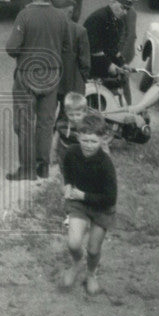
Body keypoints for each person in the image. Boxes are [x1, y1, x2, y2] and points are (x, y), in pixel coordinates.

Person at [5, 0, 71, 181]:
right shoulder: (61, 17)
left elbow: (12, 47)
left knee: (24, 122)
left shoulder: (24, 15)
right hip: (52, 75)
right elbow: (67, 46)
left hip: (27, 75)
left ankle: (26, 169)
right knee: (45, 122)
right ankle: (43, 167)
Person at [59, 105, 118, 295]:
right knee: (73, 243)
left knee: (93, 249)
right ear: (78, 137)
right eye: (85, 140)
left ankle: (91, 273)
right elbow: (66, 169)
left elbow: (110, 198)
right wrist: (67, 184)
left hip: (102, 207)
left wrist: (83, 195)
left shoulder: (105, 164)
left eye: (93, 141)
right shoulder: (71, 153)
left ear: (102, 140)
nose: (88, 145)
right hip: (80, 204)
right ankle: (76, 263)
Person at [83, 0, 136, 83]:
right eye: (123, 8)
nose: (125, 12)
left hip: (100, 62)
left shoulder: (118, 21)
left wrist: (122, 63)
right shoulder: (99, 18)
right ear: (112, 3)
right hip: (88, 64)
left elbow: (113, 47)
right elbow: (93, 48)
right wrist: (108, 65)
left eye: (127, 9)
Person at [52, 0, 91, 115]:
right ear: (70, 11)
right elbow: (85, 62)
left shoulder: (47, 28)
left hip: (51, 83)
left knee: (46, 116)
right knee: (68, 117)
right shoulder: (80, 31)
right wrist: (83, 78)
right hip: (72, 83)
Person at [106, 0, 138, 104]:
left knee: (123, 80)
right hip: (116, 50)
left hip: (124, 51)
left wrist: (122, 56)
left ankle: (129, 106)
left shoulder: (130, 11)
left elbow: (131, 35)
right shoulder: (115, 7)